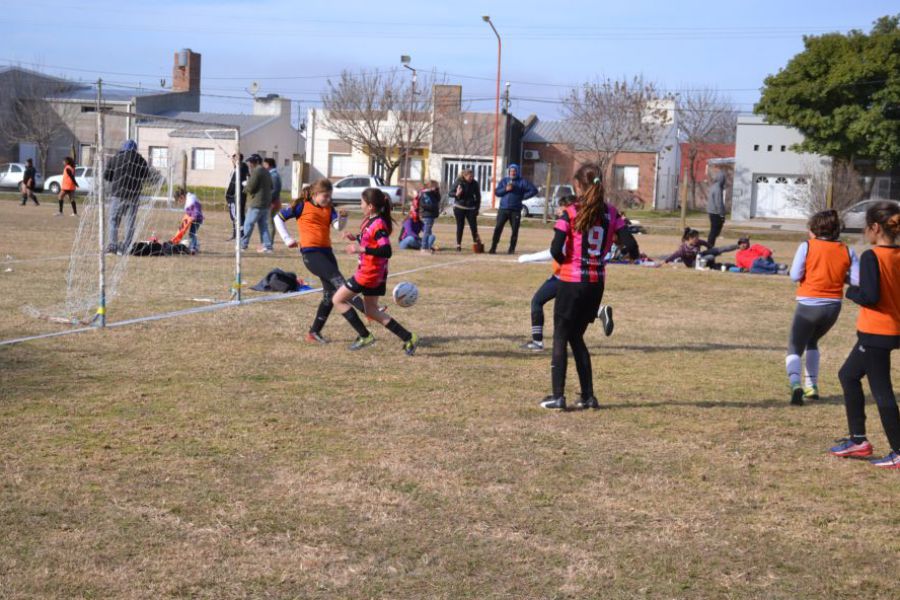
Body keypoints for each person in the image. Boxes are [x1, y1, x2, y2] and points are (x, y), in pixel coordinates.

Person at [540, 164, 627, 410]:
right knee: (576, 337)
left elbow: (555, 250)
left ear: (579, 185)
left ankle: (558, 396)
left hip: (571, 281)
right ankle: (588, 396)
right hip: (595, 284)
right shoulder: (612, 213)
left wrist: (568, 261)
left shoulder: (570, 212)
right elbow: (630, 245)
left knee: (560, 337)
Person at [830, 202, 900, 469]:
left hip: (876, 331)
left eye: (865, 228)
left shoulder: (873, 256)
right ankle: (858, 440)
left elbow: (871, 296)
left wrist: (850, 290)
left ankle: (898, 450)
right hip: (888, 330)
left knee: (882, 391)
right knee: (847, 375)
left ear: (874, 227)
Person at [518, 195, 622, 352]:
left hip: (566, 275)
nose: (558, 210)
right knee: (575, 308)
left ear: (568, 208)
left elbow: (555, 252)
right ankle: (599, 311)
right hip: (579, 275)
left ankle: (538, 343)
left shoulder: (571, 224)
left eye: (561, 207)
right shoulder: (582, 223)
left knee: (537, 301)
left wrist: (528, 258)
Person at [273, 178, 365, 343]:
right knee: (340, 283)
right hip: (311, 254)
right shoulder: (302, 205)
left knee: (330, 294)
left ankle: (314, 332)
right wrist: (287, 239)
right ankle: (368, 312)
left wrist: (343, 218)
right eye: (325, 196)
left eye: (330, 196)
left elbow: (338, 227)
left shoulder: (329, 208)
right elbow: (277, 218)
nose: (328, 200)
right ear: (315, 195)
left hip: (327, 253)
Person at [332, 188, 419, 354]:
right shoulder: (370, 220)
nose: (360, 205)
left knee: (338, 300)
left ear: (370, 206)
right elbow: (369, 240)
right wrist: (356, 238)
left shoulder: (379, 224)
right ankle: (409, 337)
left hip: (369, 273)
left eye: (362, 202)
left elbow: (386, 250)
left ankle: (365, 336)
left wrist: (361, 250)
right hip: (374, 273)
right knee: (371, 310)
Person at [786, 210, 857, 405]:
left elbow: (794, 275)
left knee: (794, 346)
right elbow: (857, 279)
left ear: (814, 229)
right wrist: (840, 276)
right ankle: (812, 386)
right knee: (813, 341)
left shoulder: (807, 246)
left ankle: (795, 385)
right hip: (833, 307)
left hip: (808, 304)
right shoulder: (846, 250)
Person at [105, 140, 150, 255]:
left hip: (118, 194)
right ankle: (126, 246)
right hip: (133, 195)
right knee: (130, 222)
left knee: (114, 219)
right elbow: (146, 176)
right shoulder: (140, 160)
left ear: (123, 148)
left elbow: (107, 175)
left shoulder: (116, 158)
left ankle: (112, 245)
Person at [489, 163, 537, 254]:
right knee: (498, 228)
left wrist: (523, 196)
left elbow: (534, 190)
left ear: (517, 172)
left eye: (514, 171)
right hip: (503, 209)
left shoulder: (522, 181)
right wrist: (505, 189)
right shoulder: (504, 181)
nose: (513, 173)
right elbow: (497, 193)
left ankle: (511, 249)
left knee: (515, 230)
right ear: (509, 172)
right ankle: (493, 247)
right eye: (511, 171)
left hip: (515, 210)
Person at [241, 154, 273, 253]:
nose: (249, 164)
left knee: (248, 224)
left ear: (255, 162)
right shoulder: (266, 172)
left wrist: (245, 185)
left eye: (250, 162)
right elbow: (271, 186)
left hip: (256, 204)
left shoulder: (257, 171)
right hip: (266, 204)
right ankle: (267, 247)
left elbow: (251, 187)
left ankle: (243, 245)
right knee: (263, 226)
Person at [449, 169, 482, 251]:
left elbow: (478, 197)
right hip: (459, 207)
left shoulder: (475, 183)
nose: (471, 178)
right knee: (460, 226)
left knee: (474, 227)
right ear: (464, 176)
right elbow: (450, 193)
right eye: (470, 177)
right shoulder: (458, 182)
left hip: (471, 208)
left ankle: (477, 245)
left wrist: (477, 208)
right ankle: (458, 245)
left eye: (472, 176)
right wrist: (456, 194)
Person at [170, 188, 204, 254]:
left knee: (192, 233)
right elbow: (188, 214)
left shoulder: (191, 199)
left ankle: (193, 248)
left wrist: (194, 216)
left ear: (182, 197)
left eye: (179, 201)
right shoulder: (189, 199)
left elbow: (197, 208)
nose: (180, 202)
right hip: (194, 218)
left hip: (197, 219)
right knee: (192, 233)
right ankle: (195, 246)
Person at [225, 153, 249, 240]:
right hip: (231, 196)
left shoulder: (242, 167)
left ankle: (241, 234)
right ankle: (236, 234)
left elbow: (243, 171)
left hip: (237, 196)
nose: (233, 160)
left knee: (238, 215)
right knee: (235, 215)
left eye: (234, 159)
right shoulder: (235, 169)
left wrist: (237, 162)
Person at [416, 180, 441, 253]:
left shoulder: (432, 193)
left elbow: (438, 199)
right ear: (431, 186)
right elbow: (424, 205)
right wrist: (433, 207)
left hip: (431, 215)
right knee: (426, 232)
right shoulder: (425, 194)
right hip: (427, 215)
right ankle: (424, 247)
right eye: (435, 186)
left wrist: (437, 191)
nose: (436, 187)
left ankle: (428, 246)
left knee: (428, 231)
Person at [706, 165, 727, 247]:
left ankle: (710, 246)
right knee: (714, 231)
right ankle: (710, 247)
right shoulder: (718, 188)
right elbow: (719, 202)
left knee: (713, 231)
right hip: (716, 213)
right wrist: (722, 215)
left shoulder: (713, 186)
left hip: (711, 211)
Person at [264, 158, 282, 245]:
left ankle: (269, 243)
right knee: (269, 222)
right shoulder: (272, 174)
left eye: (265, 164)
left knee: (269, 222)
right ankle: (268, 242)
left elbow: (274, 190)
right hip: (273, 201)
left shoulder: (273, 175)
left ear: (268, 165)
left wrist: (269, 200)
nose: (264, 166)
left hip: (272, 202)